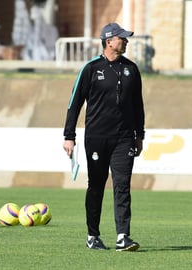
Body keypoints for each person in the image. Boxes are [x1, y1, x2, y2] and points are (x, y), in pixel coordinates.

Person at [62, 22, 145, 252]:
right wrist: (69, 136)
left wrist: (140, 135)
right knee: (96, 186)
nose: (126, 41)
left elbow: (138, 105)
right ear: (109, 41)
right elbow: (74, 103)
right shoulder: (90, 69)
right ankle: (93, 236)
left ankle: (123, 237)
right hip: (97, 138)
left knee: (122, 185)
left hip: (124, 138)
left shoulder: (132, 69)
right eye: (122, 38)